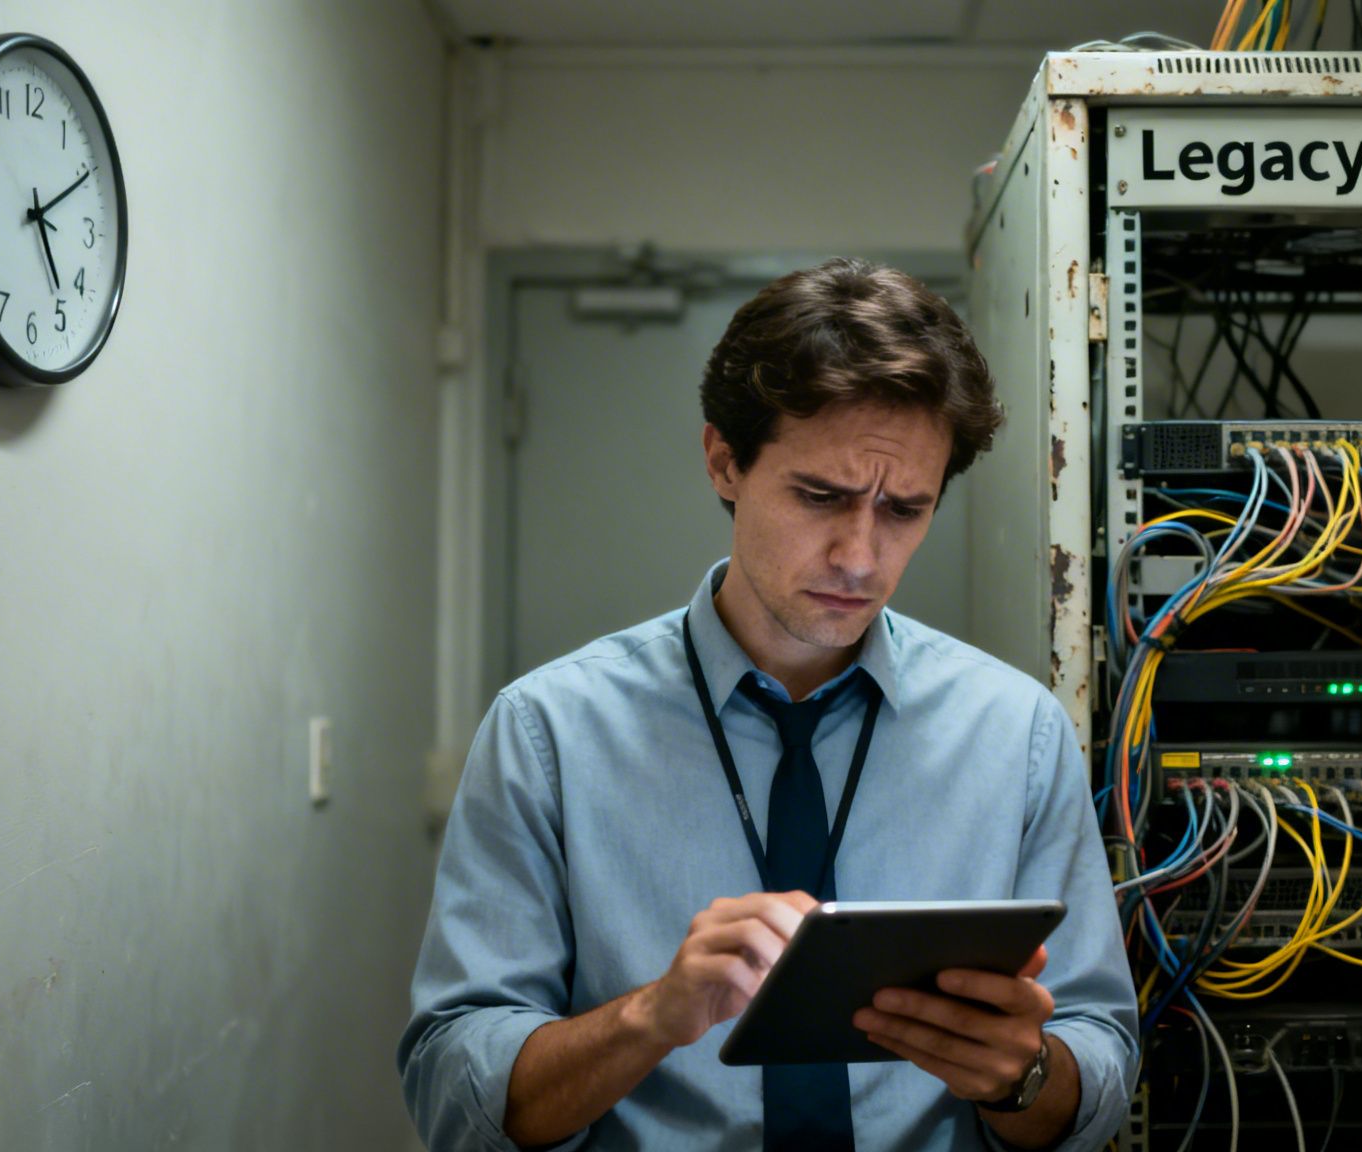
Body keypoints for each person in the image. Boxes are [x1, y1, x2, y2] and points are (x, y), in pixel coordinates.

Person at [398, 258, 1137, 1151]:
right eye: (821, 496)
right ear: (724, 461)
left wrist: (1021, 1077)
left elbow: (1100, 1063)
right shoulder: (546, 733)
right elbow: (452, 1091)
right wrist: (651, 1018)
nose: (861, 557)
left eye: (904, 509)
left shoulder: (1016, 735)